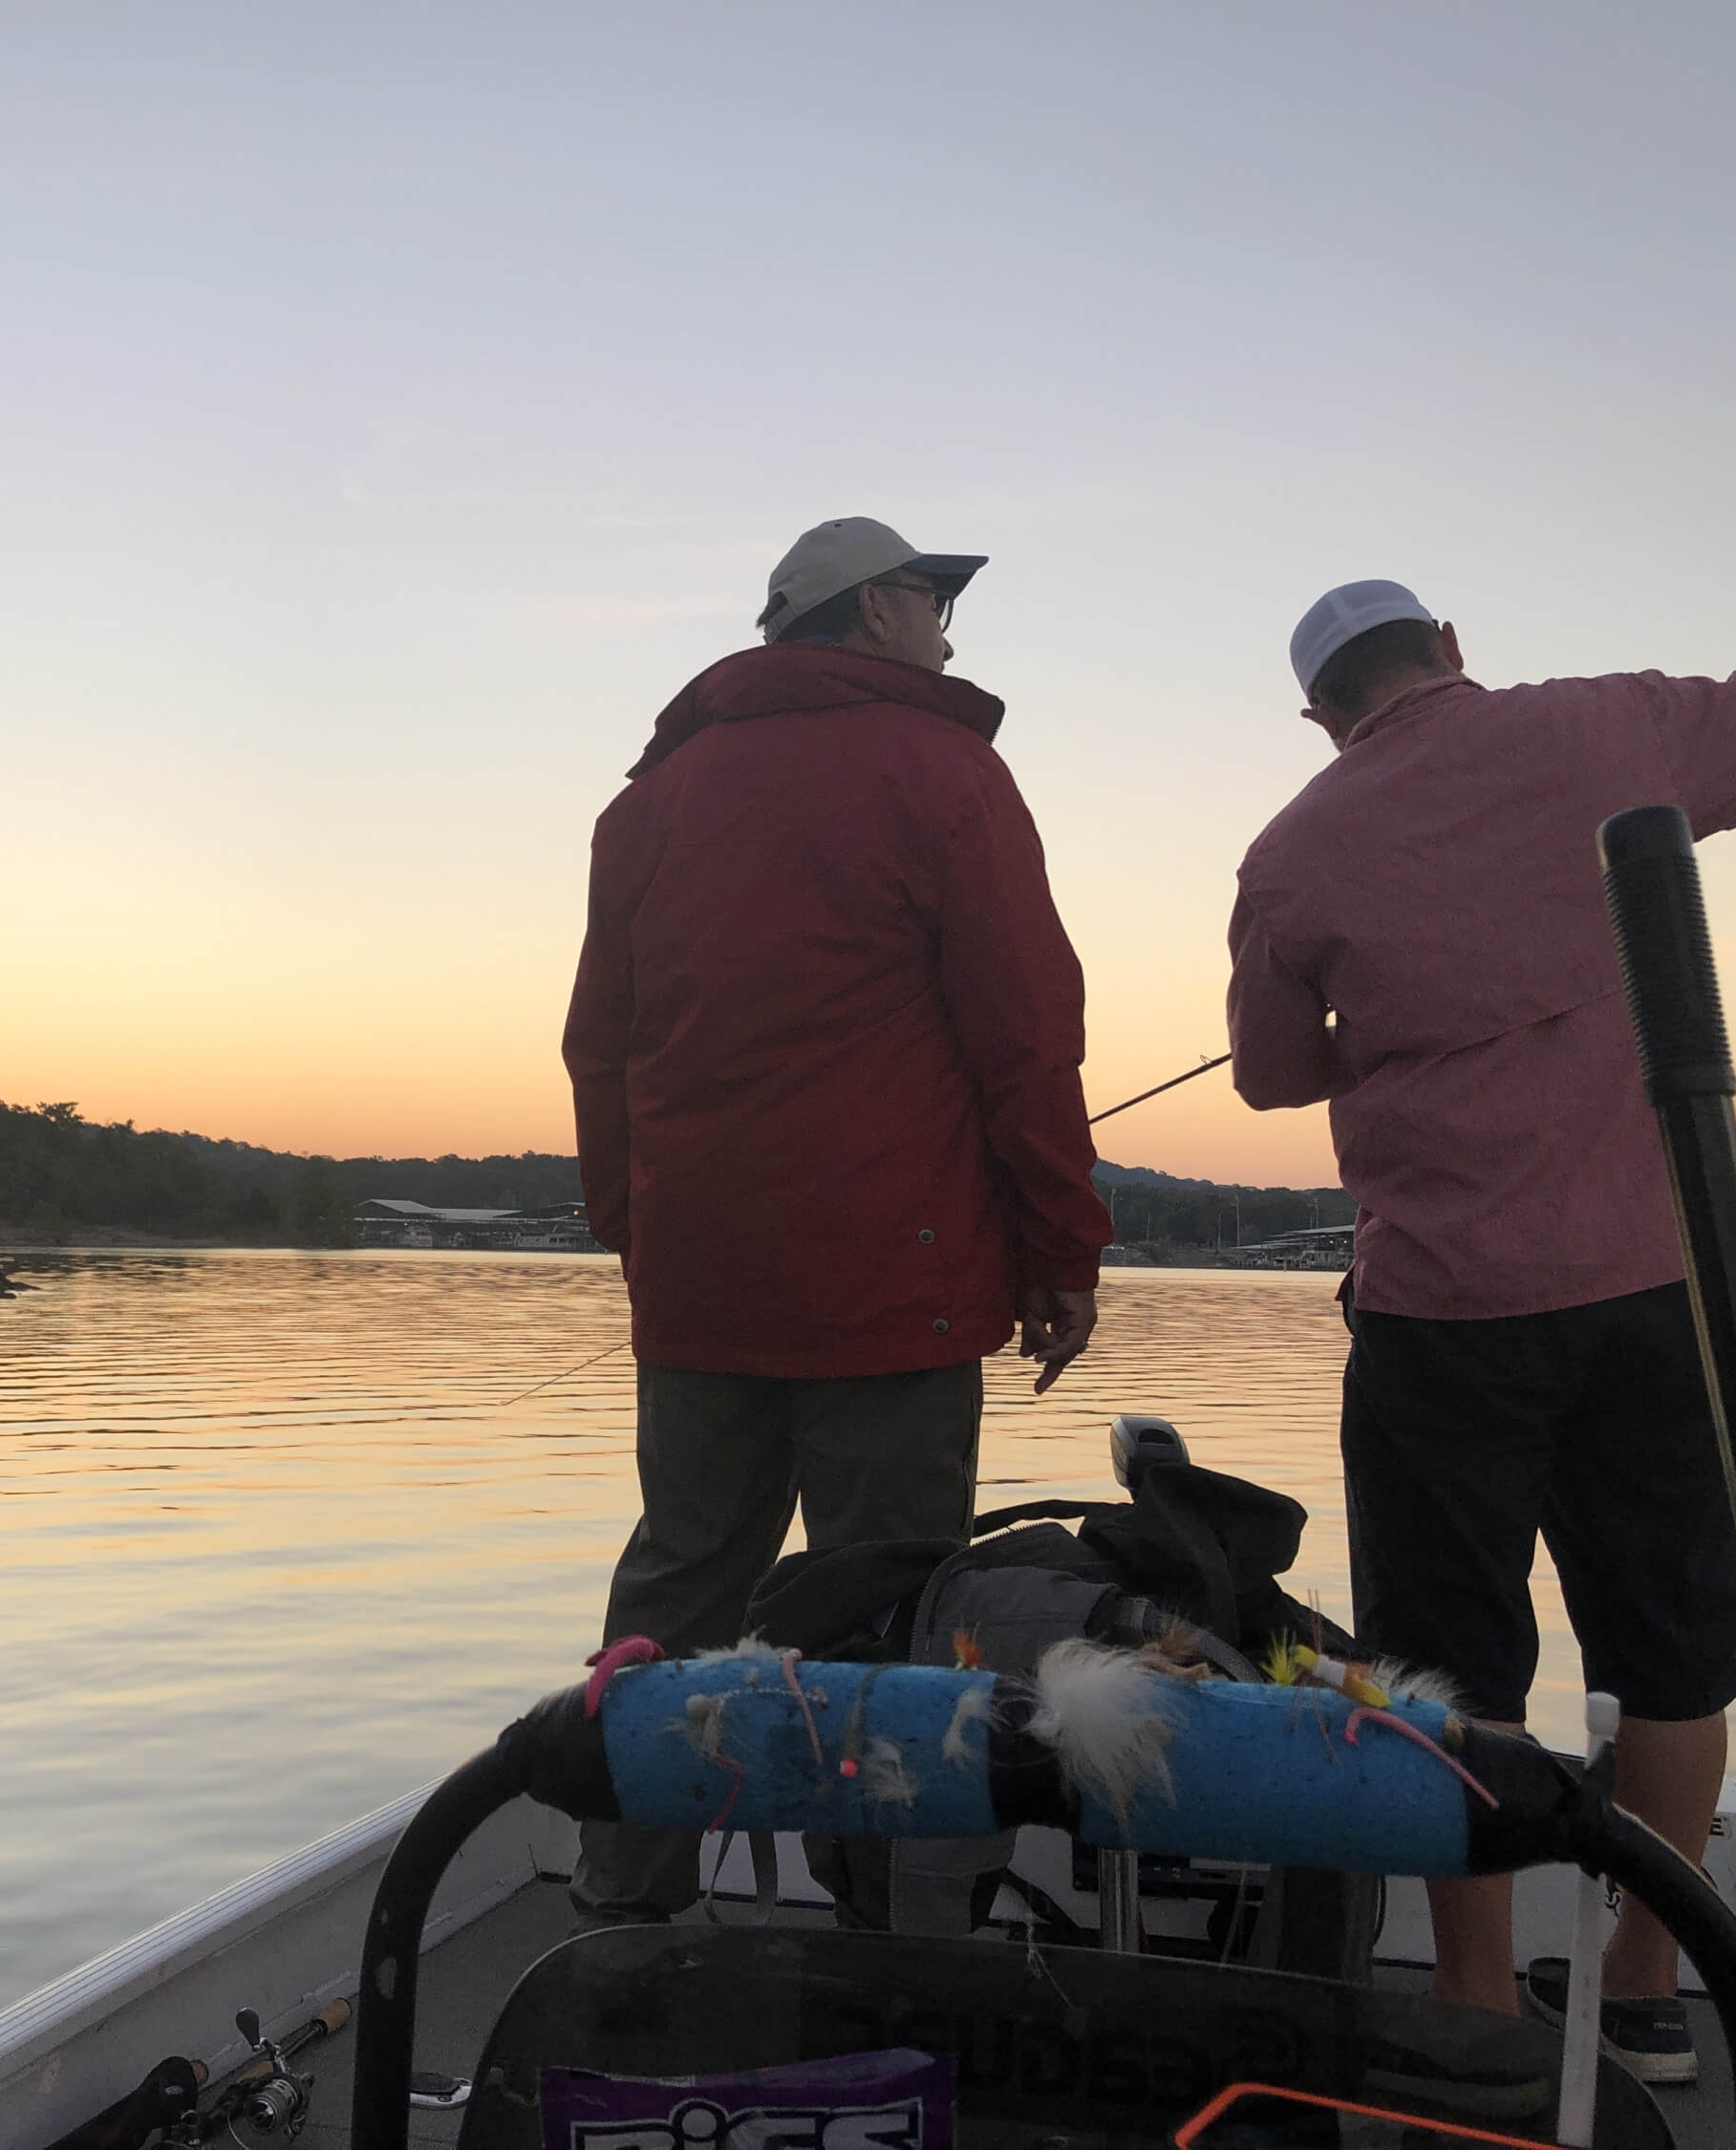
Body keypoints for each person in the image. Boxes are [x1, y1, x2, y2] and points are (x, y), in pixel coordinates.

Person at [1228, 578, 1736, 2077]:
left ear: (1319, 711)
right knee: (1674, 1655)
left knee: (1446, 1674)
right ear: (1449, 646)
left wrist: (1387, 1021)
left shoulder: (1294, 848)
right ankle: (1647, 1989)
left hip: (1444, 1315)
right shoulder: (1613, 724)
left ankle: (1480, 2007)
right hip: (1656, 1289)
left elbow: (1264, 1075)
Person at [561, 516, 1114, 1923]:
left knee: (679, 1583)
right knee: (884, 1606)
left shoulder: (646, 804)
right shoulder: (944, 770)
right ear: (873, 608)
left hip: (699, 1288)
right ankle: (882, 1914)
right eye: (934, 602)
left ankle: (623, 1891)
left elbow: (599, 1044)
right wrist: (1061, 1248)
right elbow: (1027, 1033)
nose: (945, 629)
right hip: (892, 1289)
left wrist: (638, 1227)